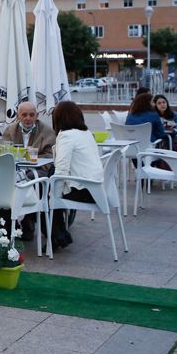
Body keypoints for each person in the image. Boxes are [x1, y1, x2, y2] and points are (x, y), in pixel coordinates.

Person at [49, 101, 104, 250]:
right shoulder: (86, 133)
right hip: (97, 189)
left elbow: (61, 170)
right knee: (50, 189)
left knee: (45, 197)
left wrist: (53, 197)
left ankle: (56, 238)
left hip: (84, 190)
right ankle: (59, 236)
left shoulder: (66, 136)